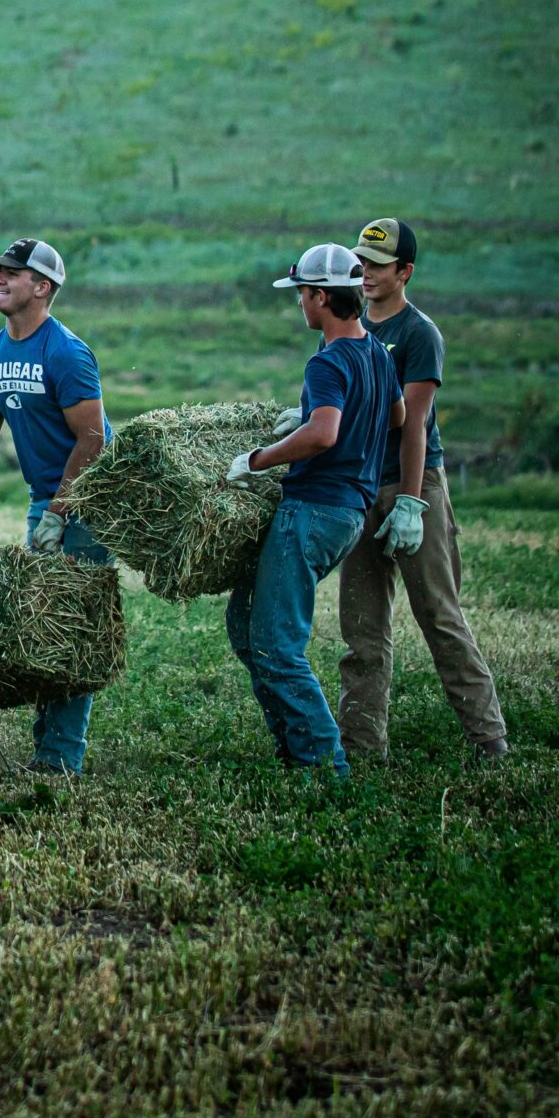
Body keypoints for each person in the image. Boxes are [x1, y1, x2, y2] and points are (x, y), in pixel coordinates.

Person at [0, 237, 114, 776]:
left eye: (13, 271)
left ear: (43, 287)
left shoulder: (66, 353)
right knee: (38, 625)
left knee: (69, 627)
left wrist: (61, 511)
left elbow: (94, 440)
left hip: (90, 500)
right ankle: (47, 750)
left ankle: (60, 759)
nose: (0, 278)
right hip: (45, 501)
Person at [224, 243, 404, 778]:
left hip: (313, 510)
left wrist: (257, 459)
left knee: (277, 647)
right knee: (245, 621)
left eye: (301, 293)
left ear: (321, 297)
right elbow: (396, 415)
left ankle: (324, 766)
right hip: (350, 513)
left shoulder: (327, 361)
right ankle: (292, 742)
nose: (299, 303)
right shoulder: (376, 353)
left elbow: (323, 435)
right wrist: (319, 414)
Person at [338, 218, 508, 762]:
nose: (366, 272)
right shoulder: (349, 325)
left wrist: (411, 503)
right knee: (361, 630)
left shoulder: (418, 333)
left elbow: (414, 425)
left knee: (439, 617)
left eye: (378, 264)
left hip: (414, 484)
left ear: (405, 271)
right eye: (361, 262)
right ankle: (362, 750)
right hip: (363, 486)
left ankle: (490, 740)